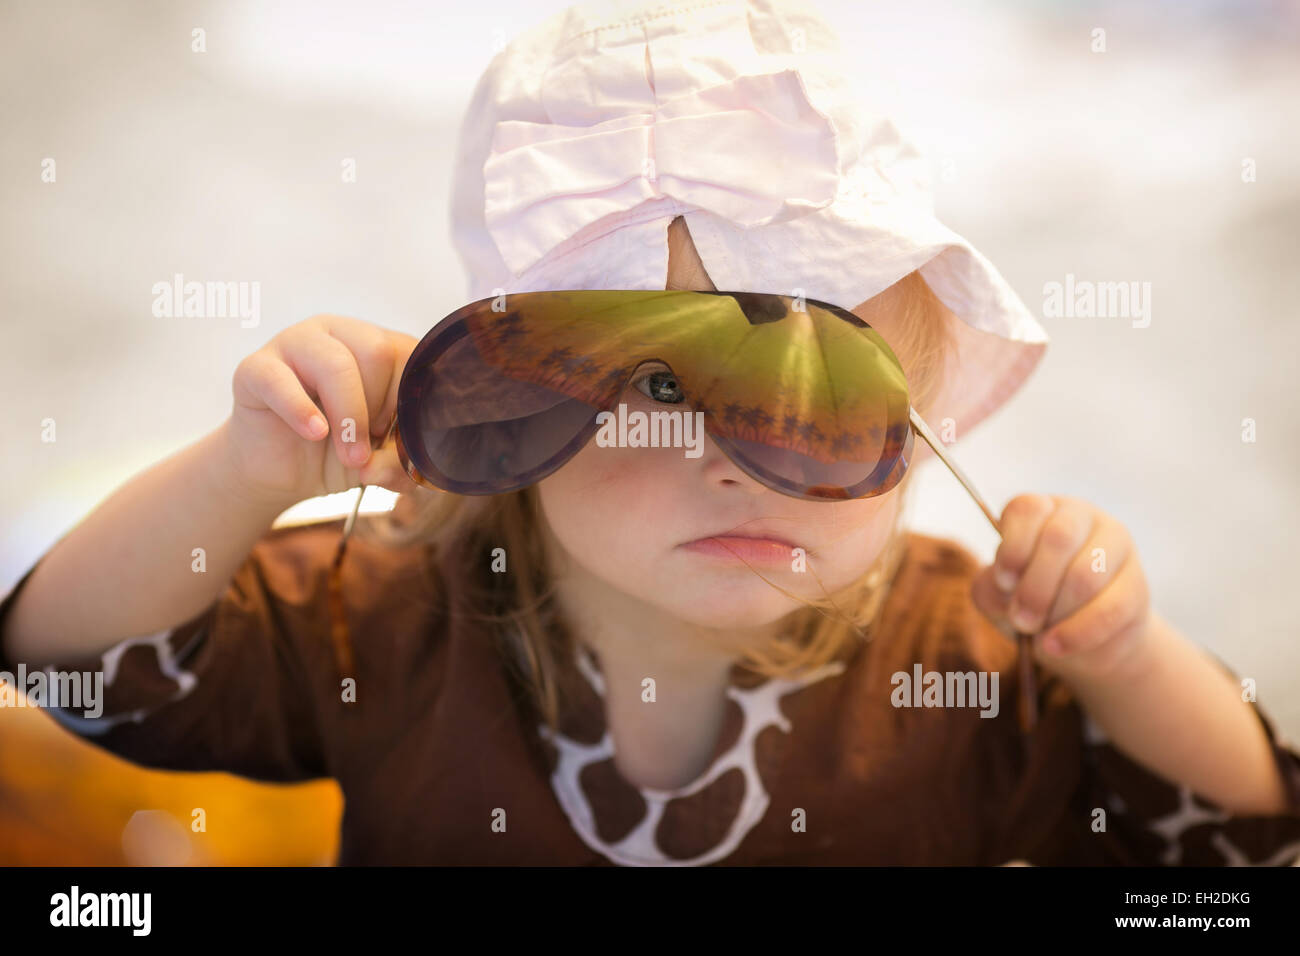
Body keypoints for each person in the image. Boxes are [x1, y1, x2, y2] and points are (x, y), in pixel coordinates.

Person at [2, 0, 1298, 866]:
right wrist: (246, 472)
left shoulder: (962, 664)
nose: (743, 456)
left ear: (911, 436)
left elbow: (1230, 837)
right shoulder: (392, 613)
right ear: (515, 399)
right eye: (662, 389)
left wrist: (1125, 656)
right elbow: (72, 666)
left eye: (824, 394)